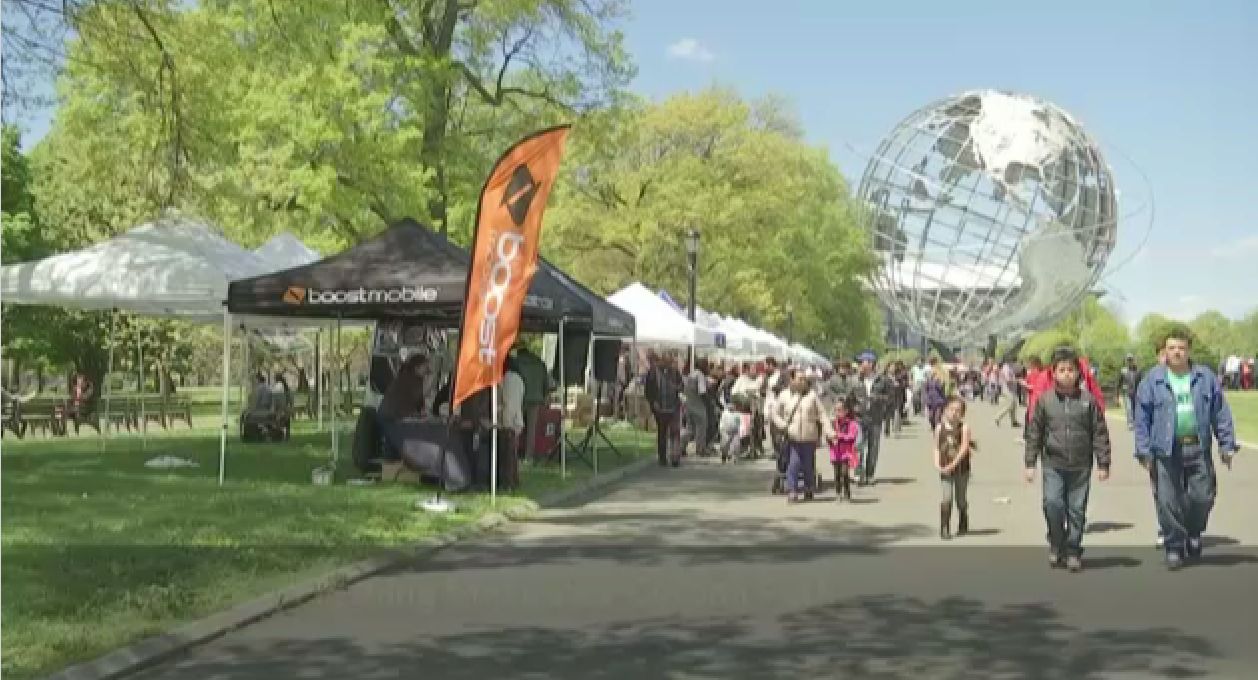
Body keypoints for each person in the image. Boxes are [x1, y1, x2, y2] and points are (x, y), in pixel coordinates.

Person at [1134, 326, 1240, 570]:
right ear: (1164, 351)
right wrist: (1143, 450)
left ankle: (1193, 532)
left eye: (1181, 348)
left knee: (1203, 497)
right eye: (1172, 348)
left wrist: (1226, 444)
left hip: (1198, 448)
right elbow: (1142, 419)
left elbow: (1220, 412)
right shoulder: (1152, 380)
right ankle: (1174, 545)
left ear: (1188, 350)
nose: (1177, 352)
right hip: (1165, 450)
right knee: (1168, 500)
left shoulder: (1205, 378)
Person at [1023, 347, 1111, 572]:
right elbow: (1035, 432)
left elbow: (1099, 432)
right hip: (1054, 462)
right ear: (1053, 373)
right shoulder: (1045, 401)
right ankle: (1056, 541)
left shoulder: (1087, 401)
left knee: (1076, 509)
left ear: (1078, 373)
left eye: (1071, 370)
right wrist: (1030, 462)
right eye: (1061, 370)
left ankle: (1073, 550)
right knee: (1052, 504)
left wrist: (1103, 463)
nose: (1066, 374)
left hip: (1081, 464)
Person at [773, 369, 835, 503]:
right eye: (799, 379)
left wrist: (829, 432)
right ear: (792, 380)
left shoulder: (812, 396)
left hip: (809, 436)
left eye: (804, 379)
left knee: (808, 465)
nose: (802, 381)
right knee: (793, 464)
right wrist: (783, 425)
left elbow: (822, 414)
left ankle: (808, 488)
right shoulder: (784, 395)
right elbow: (775, 414)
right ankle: (792, 491)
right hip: (792, 436)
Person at [848, 350, 893, 485]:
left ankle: (869, 474)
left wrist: (878, 398)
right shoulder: (855, 380)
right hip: (859, 418)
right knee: (858, 445)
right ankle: (858, 472)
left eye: (864, 362)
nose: (861, 365)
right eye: (860, 362)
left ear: (872, 364)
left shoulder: (882, 380)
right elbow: (849, 397)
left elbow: (890, 398)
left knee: (873, 448)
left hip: (875, 417)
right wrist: (853, 408)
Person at [935, 396, 974, 540]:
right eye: (951, 409)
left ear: (962, 413)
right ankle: (944, 527)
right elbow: (936, 448)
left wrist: (954, 463)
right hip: (945, 469)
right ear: (945, 410)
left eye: (958, 410)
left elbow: (964, 448)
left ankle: (963, 517)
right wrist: (937, 464)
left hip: (961, 469)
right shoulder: (940, 428)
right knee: (947, 497)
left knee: (960, 498)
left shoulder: (964, 428)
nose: (954, 413)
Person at [376, 355, 430, 449]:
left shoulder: (413, 378)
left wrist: (420, 411)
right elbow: (415, 398)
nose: (427, 369)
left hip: (390, 414)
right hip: (391, 416)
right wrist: (417, 413)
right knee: (395, 445)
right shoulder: (409, 379)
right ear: (416, 368)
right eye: (425, 366)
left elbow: (418, 400)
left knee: (395, 444)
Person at [644, 350, 683, 467]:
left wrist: (679, 388)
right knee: (662, 432)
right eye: (667, 361)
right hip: (660, 407)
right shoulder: (653, 372)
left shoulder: (675, 372)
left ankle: (674, 457)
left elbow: (681, 385)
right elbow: (648, 390)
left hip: (674, 405)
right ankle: (662, 457)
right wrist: (653, 401)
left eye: (670, 361)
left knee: (675, 431)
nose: (669, 363)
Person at [514, 346, 549, 460]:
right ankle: (528, 456)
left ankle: (513, 454)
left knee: (516, 426)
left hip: (520, 398)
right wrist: (543, 397)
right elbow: (546, 384)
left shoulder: (517, 363)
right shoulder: (540, 363)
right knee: (531, 430)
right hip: (536, 399)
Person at [829, 398, 860, 501]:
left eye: (840, 410)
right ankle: (838, 493)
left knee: (844, 472)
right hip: (835, 452)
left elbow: (852, 436)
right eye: (836, 410)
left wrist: (840, 436)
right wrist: (830, 437)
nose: (838, 412)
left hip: (846, 453)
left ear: (846, 411)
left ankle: (847, 492)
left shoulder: (851, 423)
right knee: (837, 474)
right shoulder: (833, 423)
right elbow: (828, 435)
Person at [681, 357, 710, 458]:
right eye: (706, 365)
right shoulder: (700, 375)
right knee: (701, 428)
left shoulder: (691, 375)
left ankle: (681, 447)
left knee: (689, 429)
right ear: (702, 366)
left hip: (689, 405)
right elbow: (702, 392)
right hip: (698, 406)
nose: (708, 367)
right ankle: (700, 449)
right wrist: (708, 402)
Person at [1116, 353, 1143, 431]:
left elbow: (1142, 382)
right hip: (1126, 393)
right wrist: (1117, 395)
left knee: (1135, 408)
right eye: (1128, 360)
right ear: (1126, 361)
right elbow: (1118, 383)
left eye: (1131, 360)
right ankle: (1130, 423)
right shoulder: (1123, 371)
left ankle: (1136, 422)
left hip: (1136, 393)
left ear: (1133, 360)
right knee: (1128, 408)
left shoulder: (1138, 370)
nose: (1129, 361)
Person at [994, 361, 1020, 428]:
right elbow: (1007, 379)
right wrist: (1016, 380)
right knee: (1009, 405)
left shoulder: (1009, 367)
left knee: (1014, 405)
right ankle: (997, 417)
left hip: (1011, 389)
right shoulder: (1006, 368)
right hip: (1008, 389)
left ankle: (1014, 421)